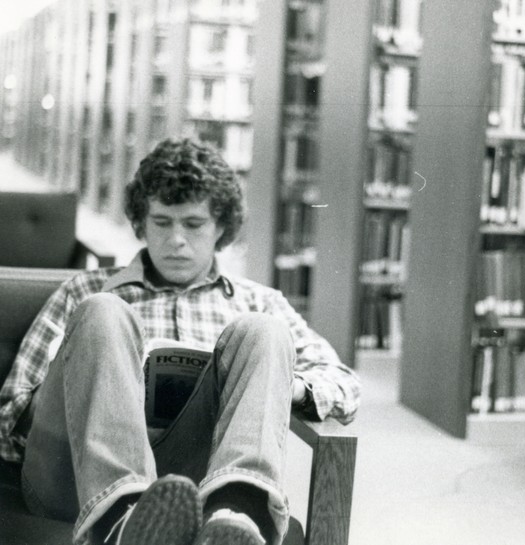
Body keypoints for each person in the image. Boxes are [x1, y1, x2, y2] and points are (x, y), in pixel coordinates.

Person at [0, 138, 361, 545]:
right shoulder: (83, 290)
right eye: (162, 222)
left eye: (193, 224)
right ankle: (121, 518)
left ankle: (236, 511)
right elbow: (9, 410)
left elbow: (344, 385)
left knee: (264, 330)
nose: (176, 240)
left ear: (221, 227)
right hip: (74, 478)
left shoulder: (259, 300)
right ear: (140, 223)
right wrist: (97, 386)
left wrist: (285, 386)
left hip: (197, 479)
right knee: (104, 310)